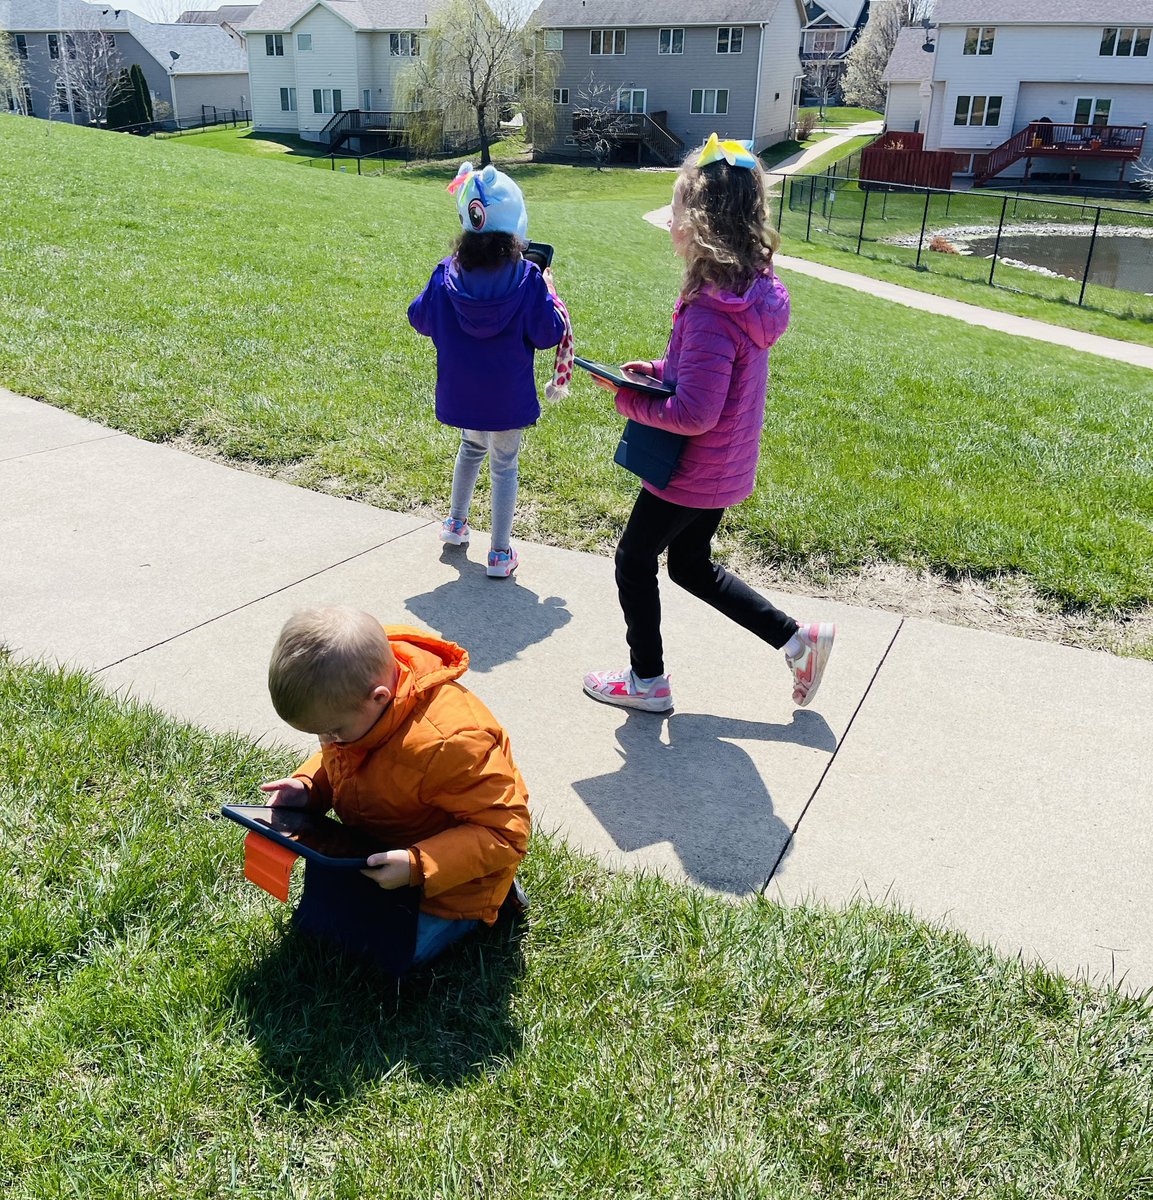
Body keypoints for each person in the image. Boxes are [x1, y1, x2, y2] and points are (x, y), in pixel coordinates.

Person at [583, 134, 835, 714]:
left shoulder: (709, 309)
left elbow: (695, 412)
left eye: (675, 211)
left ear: (698, 223)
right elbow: (706, 375)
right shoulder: (747, 293)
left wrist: (629, 401)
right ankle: (799, 641)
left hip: (691, 470)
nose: (669, 221)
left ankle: (647, 681)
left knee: (633, 559)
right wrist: (658, 370)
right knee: (690, 565)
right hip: (725, 465)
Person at [261, 606, 530, 970]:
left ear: (379, 697)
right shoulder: (355, 697)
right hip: (379, 848)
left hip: (450, 884)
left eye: (334, 731)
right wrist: (308, 787)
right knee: (321, 928)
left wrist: (418, 865)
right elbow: (344, 760)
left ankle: (493, 901)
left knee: (381, 954)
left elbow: (507, 832)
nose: (329, 741)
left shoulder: (450, 742)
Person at [409, 162, 567, 579]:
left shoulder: (447, 272)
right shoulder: (529, 276)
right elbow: (548, 333)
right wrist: (549, 291)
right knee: (504, 465)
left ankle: (456, 523)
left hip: (462, 394)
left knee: (470, 448)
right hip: (507, 398)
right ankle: (499, 553)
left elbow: (419, 318)